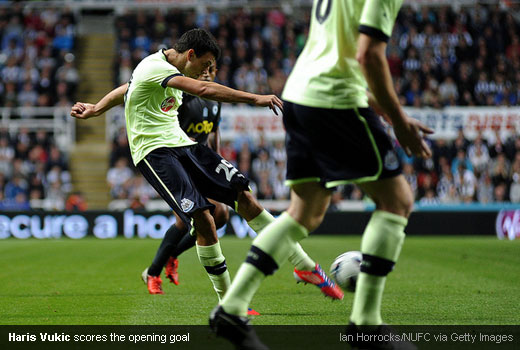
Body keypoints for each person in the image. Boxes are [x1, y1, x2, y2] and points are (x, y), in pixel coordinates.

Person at [209, 1, 433, 350]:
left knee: (304, 214)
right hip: (336, 102)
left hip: (299, 98)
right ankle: (366, 324)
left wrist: (387, 115)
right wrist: (400, 122)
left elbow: (336, 58)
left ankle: (231, 309)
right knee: (397, 201)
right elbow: (368, 56)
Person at [70, 29, 340, 309]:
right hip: (154, 153)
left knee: (244, 196)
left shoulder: (163, 70)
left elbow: (128, 88)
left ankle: (303, 265)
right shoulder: (155, 67)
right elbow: (201, 89)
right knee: (204, 218)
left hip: (184, 144)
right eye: (204, 65)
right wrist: (255, 98)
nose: (205, 72)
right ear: (190, 55)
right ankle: (230, 302)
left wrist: (97, 108)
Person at [143, 63, 343, 304]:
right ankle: (154, 271)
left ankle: (173, 261)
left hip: (201, 159)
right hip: (179, 161)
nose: (207, 72)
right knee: (193, 221)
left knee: (223, 215)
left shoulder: (213, 102)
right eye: (204, 67)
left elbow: (213, 135)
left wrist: (216, 159)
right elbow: (165, 122)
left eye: (213, 68)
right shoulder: (182, 97)